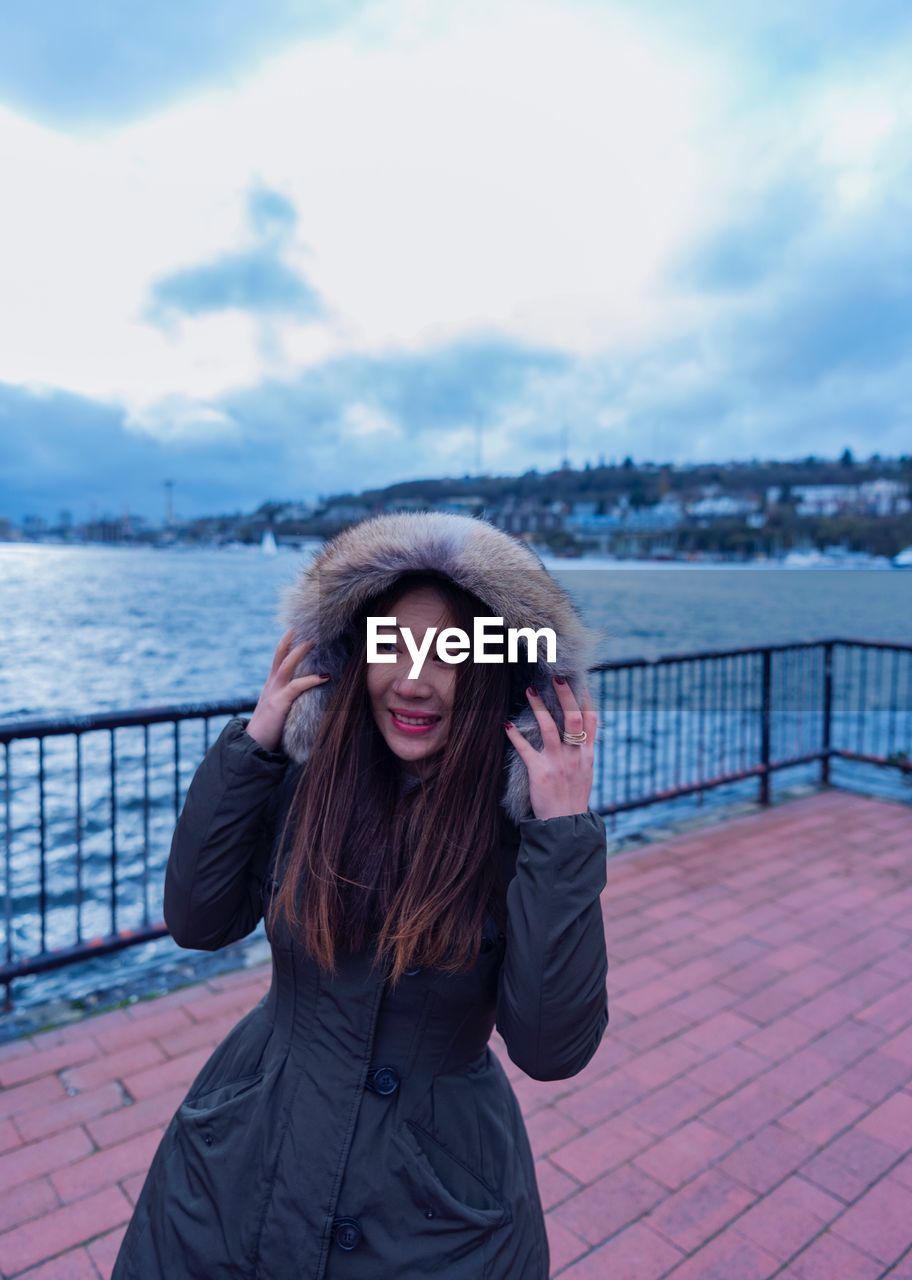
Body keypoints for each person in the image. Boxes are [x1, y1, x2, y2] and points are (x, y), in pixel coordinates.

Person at [112, 511, 609, 1280]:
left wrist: (563, 833)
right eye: (393, 646)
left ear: (499, 670)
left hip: (431, 1201)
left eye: (450, 653)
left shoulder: (526, 835)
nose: (414, 680)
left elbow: (550, 1047)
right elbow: (199, 919)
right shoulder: (310, 783)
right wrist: (257, 746)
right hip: (247, 1152)